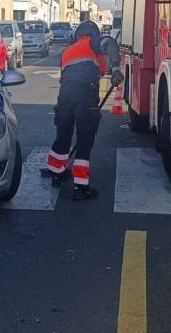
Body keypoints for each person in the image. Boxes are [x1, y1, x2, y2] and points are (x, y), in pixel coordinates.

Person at [40, 20, 121, 200]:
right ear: (93, 34)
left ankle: (56, 172)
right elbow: (110, 43)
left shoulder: (67, 52)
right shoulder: (92, 43)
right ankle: (80, 186)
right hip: (85, 97)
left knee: (63, 135)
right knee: (85, 140)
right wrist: (116, 68)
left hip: (65, 98)